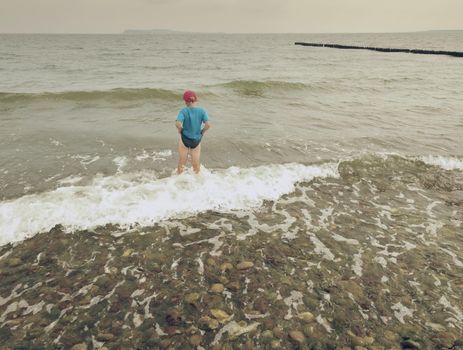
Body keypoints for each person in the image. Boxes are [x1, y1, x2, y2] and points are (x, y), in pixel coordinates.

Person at [175, 90, 210, 174]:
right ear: (195, 99)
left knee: (181, 163)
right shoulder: (202, 111)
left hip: (185, 139)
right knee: (196, 164)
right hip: (196, 140)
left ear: (185, 101)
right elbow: (208, 125)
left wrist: (181, 130)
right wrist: (202, 132)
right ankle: (196, 182)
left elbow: (178, 123)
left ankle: (177, 181)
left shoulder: (183, 111)